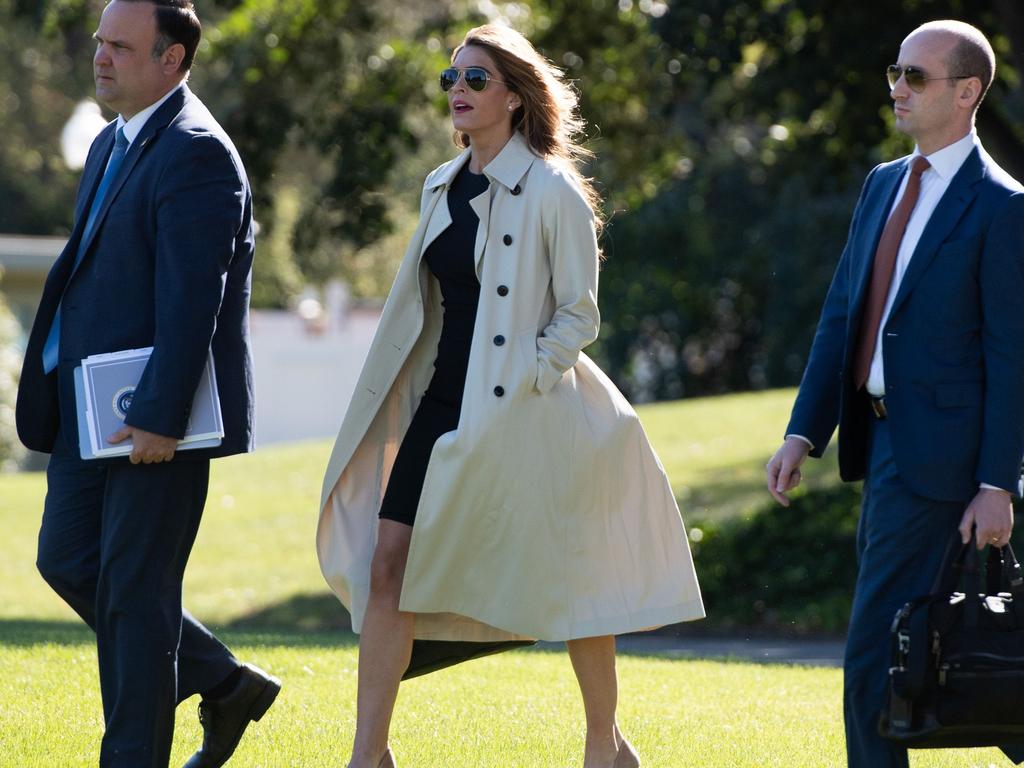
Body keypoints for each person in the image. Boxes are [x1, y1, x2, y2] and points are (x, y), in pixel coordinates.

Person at [317, 23, 703, 768]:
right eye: (451, 80)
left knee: (573, 576)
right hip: (438, 403)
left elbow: (579, 314)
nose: (458, 92)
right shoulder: (440, 184)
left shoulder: (554, 189)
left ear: (516, 98)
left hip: (532, 411)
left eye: (476, 80)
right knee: (388, 567)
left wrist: (529, 372)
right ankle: (370, 754)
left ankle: (605, 745)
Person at [15, 1, 279, 766]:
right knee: (67, 560)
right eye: (100, 43)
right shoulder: (109, 143)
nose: (100, 58)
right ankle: (225, 684)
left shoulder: (198, 152)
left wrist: (161, 416)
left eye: (121, 47)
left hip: (154, 422)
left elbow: (192, 299)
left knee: (134, 597)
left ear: (172, 60)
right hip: (85, 414)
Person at [765, 20, 1024, 768]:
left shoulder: (1003, 207)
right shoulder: (883, 183)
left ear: (966, 92)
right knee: (974, 644)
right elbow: (844, 315)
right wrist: (803, 432)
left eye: (916, 77)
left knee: (874, 653)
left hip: (950, 468)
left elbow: (1013, 360)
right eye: (895, 73)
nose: (896, 89)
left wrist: (995, 483)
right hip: (882, 450)